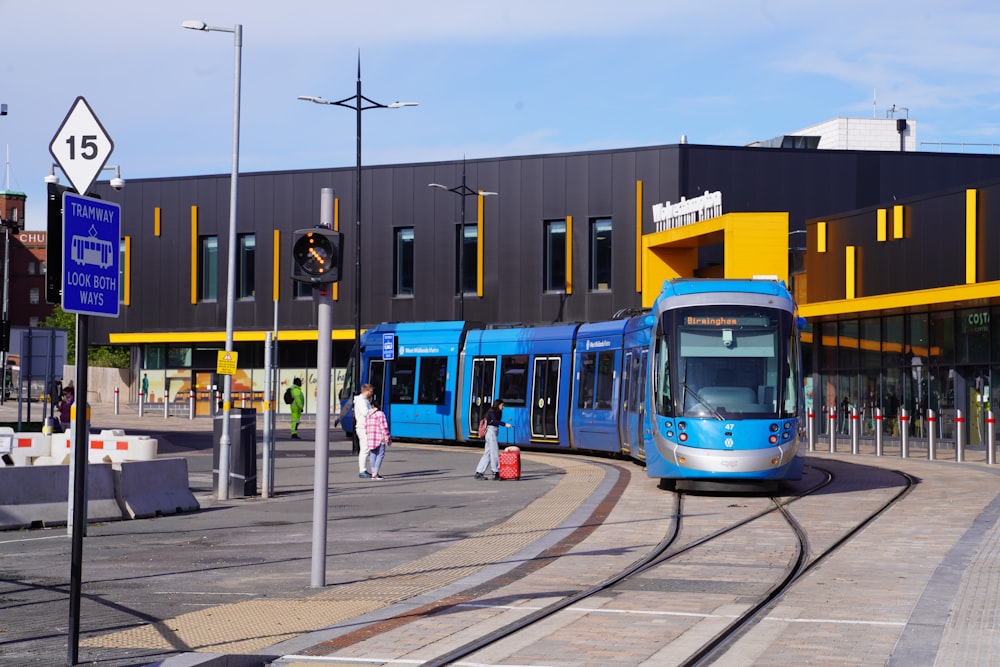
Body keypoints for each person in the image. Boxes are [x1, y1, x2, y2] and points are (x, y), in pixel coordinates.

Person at [475, 399, 509, 481]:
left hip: (492, 433)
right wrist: (505, 424)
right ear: (498, 405)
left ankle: (479, 472)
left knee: (488, 453)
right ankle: (495, 472)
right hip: (491, 433)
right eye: (502, 405)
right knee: (494, 453)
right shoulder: (492, 411)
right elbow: (494, 421)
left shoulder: (497, 412)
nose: (503, 407)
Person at [364, 397, 391, 480]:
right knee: (380, 455)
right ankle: (375, 474)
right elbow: (384, 427)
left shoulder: (368, 415)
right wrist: (387, 436)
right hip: (380, 437)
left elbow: (366, 426)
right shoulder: (380, 414)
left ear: (372, 405)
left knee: (372, 454)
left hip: (371, 438)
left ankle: (373, 473)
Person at [354, 384, 374, 478]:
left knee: (365, 449)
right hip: (362, 427)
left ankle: (363, 469)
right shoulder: (362, 401)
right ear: (367, 391)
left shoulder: (364, 400)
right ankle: (362, 470)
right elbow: (365, 412)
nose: (372, 394)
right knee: (365, 449)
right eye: (371, 392)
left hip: (364, 427)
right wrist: (374, 410)